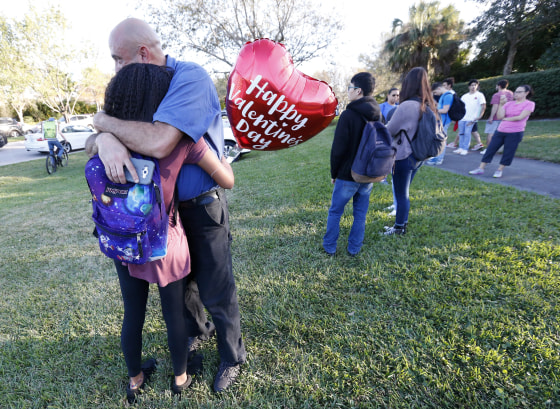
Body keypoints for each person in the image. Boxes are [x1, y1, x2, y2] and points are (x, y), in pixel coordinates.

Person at [91, 18, 246, 393]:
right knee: (183, 291)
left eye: (118, 59)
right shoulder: (143, 87)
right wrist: (103, 137)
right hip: (164, 218)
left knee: (215, 287)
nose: (115, 69)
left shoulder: (188, 77)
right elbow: (121, 136)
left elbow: (160, 142)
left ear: (143, 54)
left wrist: (104, 124)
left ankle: (231, 356)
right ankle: (195, 335)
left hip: (200, 206)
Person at [323, 72, 380, 256]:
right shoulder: (378, 113)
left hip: (347, 174)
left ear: (359, 91)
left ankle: (330, 247)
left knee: (335, 212)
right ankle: (354, 248)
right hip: (368, 174)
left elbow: (338, 149)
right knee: (360, 214)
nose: (348, 91)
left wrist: (334, 173)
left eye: (350, 88)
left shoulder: (348, 115)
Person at [384, 67, 436, 235]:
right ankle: (401, 224)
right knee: (404, 192)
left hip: (403, 156)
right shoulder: (428, 105)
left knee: (401, 194)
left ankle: (399, 228)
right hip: (419, 156)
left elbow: (389, 130)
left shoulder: (407, 106)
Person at [469, 85, 535, 178]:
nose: (516, 94)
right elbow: (499, 116)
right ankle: (481, 168)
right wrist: (501, 104)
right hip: (501, 130)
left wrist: (506, 119)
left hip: (515, 132)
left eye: (519, 92)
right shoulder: (509, 104)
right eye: (515, 91)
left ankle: (499, 170)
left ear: (526, 93)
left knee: (508, 151)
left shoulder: (530, 104)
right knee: (490, 149)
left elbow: (520, 117)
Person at [481, 79, 514, 155]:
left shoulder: (497, 95)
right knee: (502, 134)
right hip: (506, 117)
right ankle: (500, 149)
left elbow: (495, 107)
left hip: (496, 117)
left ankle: (488, 149)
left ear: (498, 86)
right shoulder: (511, 94)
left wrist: (491, 117)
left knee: (491, 133)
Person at [454, 79, 486, 155]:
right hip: (462, 118)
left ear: (477, 86)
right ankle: (460, 147)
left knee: (467, 133)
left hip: (472, 118)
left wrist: (480, 116)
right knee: (461, 133)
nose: (473, 87)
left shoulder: (479, 95)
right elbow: (460, 107)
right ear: (469, 86)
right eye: (472, 85)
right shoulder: (464, 96)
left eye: (475, 85)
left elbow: (483, 106)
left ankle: (465, 149)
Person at [426, 82, 453, 165]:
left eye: (435, 92)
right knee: (438, 139)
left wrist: (433, 111)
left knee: (441, 140)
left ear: (438, 88)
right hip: (441, 121)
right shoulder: (444, 96)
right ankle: (436, 157)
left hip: (444, 121)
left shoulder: (448, 95)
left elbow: (445, 110)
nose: (435, 94)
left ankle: (439, 158)